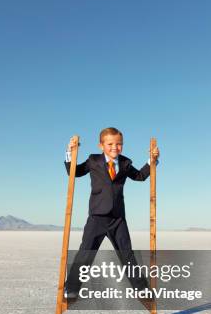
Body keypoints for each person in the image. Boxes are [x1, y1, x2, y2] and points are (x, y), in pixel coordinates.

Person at [63, 127, 160, 299]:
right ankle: (71, 288)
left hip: (117, 218)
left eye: (119, 144)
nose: (115, 147)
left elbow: (140, 176)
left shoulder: (125, 163)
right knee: (86, 252)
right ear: (101, 145)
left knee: (127, 253)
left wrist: (152, 160)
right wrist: (70, 153)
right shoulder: (93, 160)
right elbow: (75, 173)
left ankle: (141, 288)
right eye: (110, 144)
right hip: (97, 217)